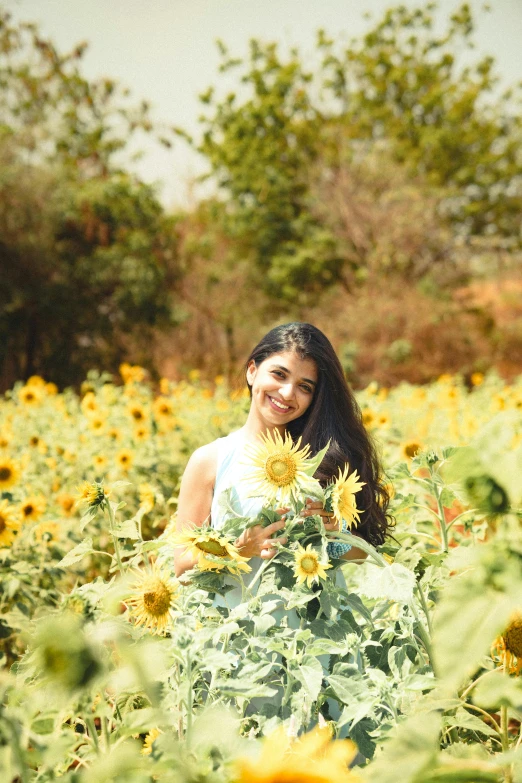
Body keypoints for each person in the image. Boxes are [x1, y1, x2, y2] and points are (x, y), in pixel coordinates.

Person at [174, 322, 391, 579]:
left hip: (316, 618)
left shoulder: (320, 458)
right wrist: (237, 550)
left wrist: (335, 534)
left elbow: (361, 553)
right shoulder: (210, 460)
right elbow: (182, 567)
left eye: (305, 387)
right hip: (234, 619)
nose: (287, 393)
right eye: (279, 374)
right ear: (252, 371)